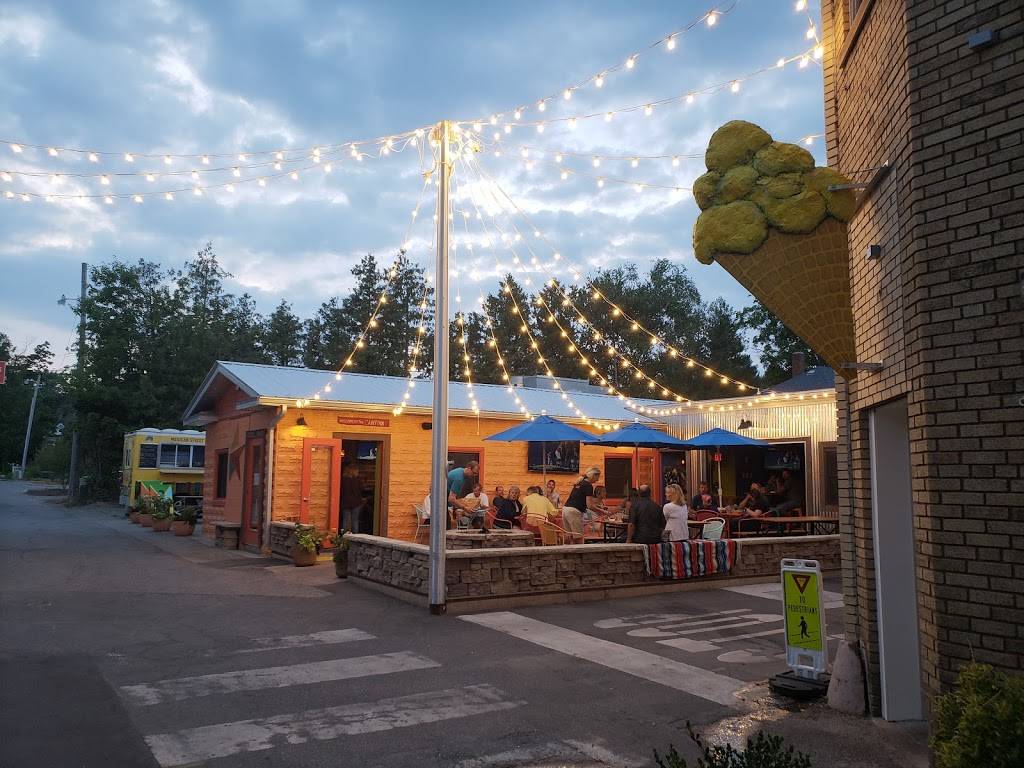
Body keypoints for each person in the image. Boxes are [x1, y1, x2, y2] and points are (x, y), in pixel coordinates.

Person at [563, 466, 600, 544]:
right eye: (597, 477)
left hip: (565, 509)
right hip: (574, 511)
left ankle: (566, 551)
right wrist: (603, 511)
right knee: (578, 538)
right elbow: (589, 505)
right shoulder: (588, 485)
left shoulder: (579, 482)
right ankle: (580, 552)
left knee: (569, 536)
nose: (598, 480)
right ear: (593, 475)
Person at [446, 460, 479, 527]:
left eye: (476, 474)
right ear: (469, 468)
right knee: (447, 525)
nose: (474, 476)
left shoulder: (460, 470)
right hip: (441, 498)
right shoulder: (459, 479)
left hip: (444, 496)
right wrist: (465, 508)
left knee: (448, 523)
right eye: (473, 473)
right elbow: (451, 499)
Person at [340, 464, 363, 534]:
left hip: (345, 502)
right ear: (354, 471)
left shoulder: (342, 480)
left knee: (346, 520)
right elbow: (361, 490)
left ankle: (345, 536)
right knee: (355, 521)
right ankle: (355, 536)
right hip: (356, 503)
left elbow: (341, 491)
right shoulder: (358, 480)